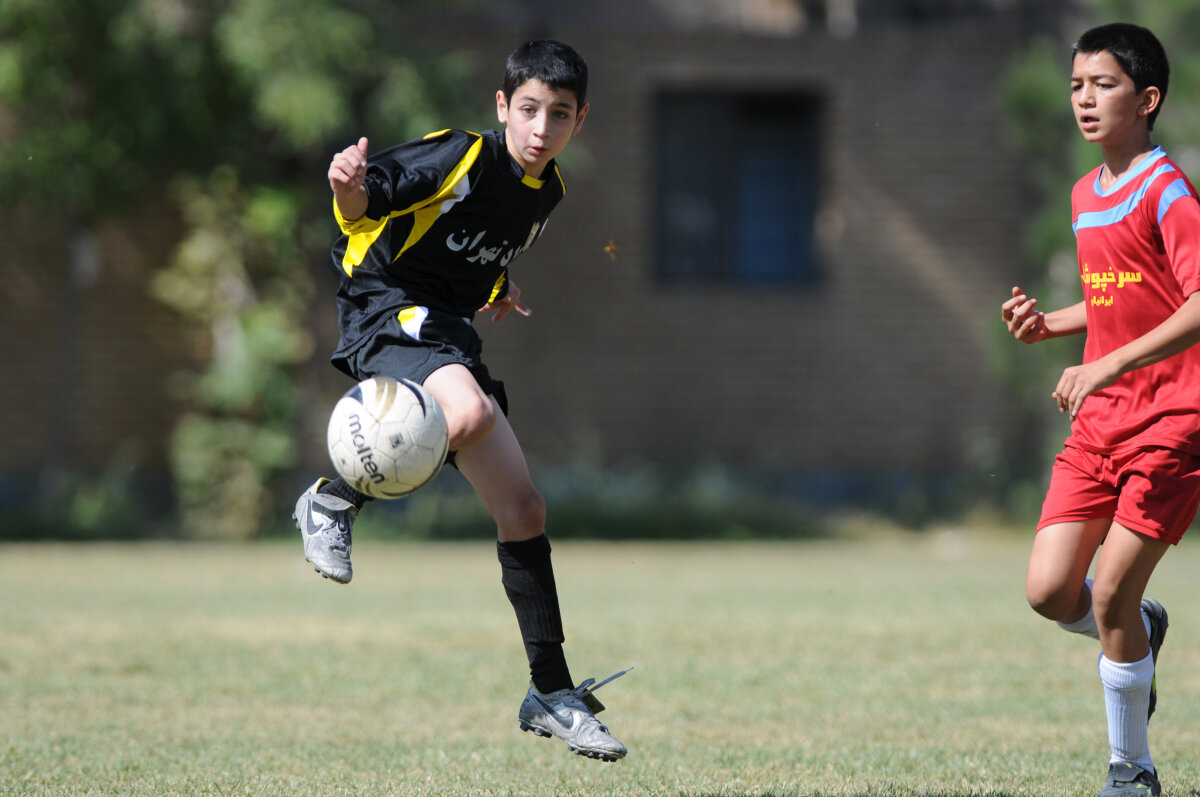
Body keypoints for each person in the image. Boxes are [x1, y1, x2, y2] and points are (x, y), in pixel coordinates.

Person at [292, 40, 629, 762]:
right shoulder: (464, 155)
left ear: (580, 120)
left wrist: (497, 285)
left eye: (560, 114)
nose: (541, 127)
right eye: (529, 109)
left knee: (524, 509)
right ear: (503, 106)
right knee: (468, 413)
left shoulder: (548, 192)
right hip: (386, 306)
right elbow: (369, 203)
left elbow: (468, 246)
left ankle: (551, 692)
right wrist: (346, 183)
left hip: (445, 330)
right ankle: (333, 500)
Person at [1001, 22, 1200, 797]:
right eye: (1077, 85)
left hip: (1172, 420)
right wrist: (1050, 324)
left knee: (1111, 589)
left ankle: (1132, 769)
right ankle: (1141, 632)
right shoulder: (1087, 194)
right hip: (1101, 421)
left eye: (1103, 85)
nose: (1084, 99)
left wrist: (1109, 361)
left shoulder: (1168, 190)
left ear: (1146, 100)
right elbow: (1120, 297)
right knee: (1050, 591)